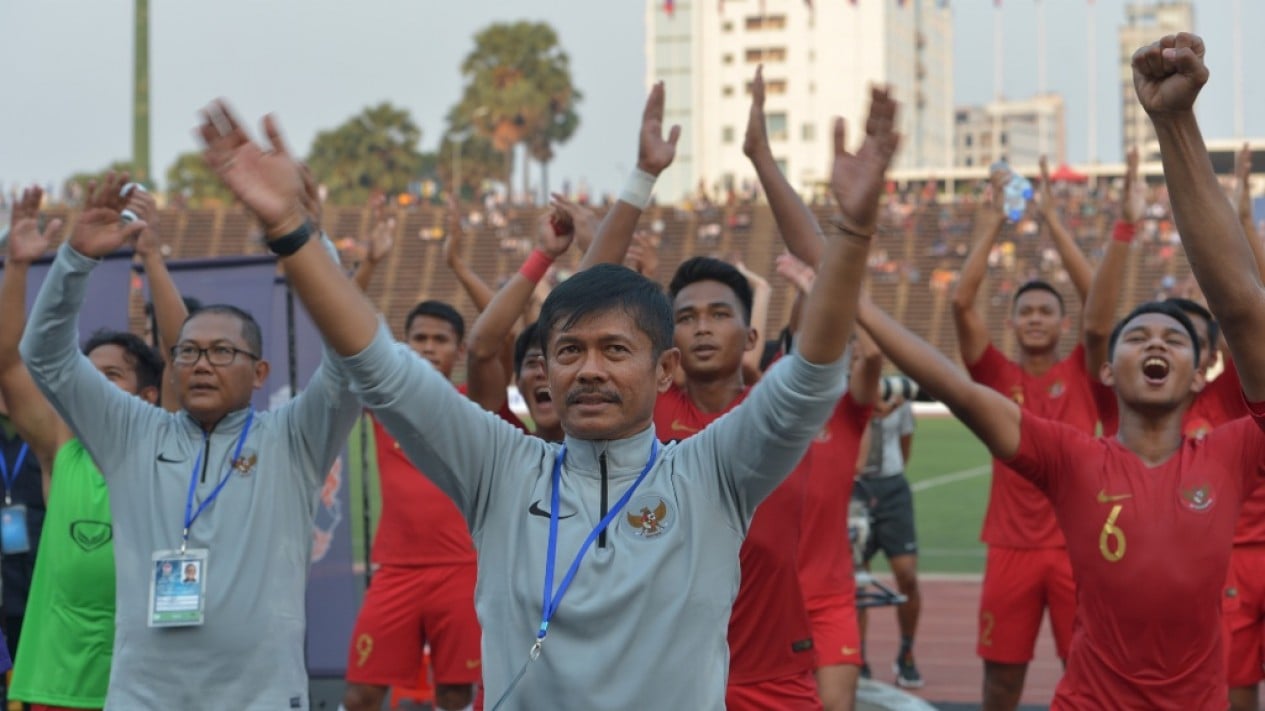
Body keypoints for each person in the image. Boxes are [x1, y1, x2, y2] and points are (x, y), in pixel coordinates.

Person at [195, 76, 896, 708]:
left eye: (614, 350)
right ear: (547, 372)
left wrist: (854, 231)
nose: (588, 369)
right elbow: (378, 362)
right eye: (569, 351)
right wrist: (291, 231)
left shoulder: (710, 472)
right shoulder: (503, 467)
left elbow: (809, 375)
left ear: (664, 371)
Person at [19, 172, 361, 709]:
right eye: (188, 352)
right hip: (143, 697)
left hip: (261, 699)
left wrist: (309, 242)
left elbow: (350, 360)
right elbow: (44, 355)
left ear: (260, 371)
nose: (201, 364)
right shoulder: (131, 432)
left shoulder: (294, 438)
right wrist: (76, 259)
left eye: (222, 352)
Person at [740, 68, 878, 710]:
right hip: (758, 600)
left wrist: (813, 289)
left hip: (825, 599)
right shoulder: (763, 392)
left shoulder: (849, 402)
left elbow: (864, 338)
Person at [0, 186, 165, 711]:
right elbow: (8, 364)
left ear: (149, 397)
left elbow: (186, 354)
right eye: (86, 379)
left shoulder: (166, 453)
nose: (93, 390)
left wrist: (155, 262)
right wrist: (19, 268)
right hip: (57, 683)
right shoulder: (60, 449)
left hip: (144, 682)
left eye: (110, 377)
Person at [949, 163, 1097, 710]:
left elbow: (1098, 302)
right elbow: (961, 303)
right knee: (1001, 685)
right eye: (1026, 311)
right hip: (1010, 550)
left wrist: (1054, 222)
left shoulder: (1086, 373)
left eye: (1046, 311)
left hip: (1074, 549)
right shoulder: (995, 377)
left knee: (1085, 675)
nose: (1035, 318)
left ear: (1063, 325)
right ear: (1011, 324)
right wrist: (991, 223)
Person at [853, 380, 922, 688]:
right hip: (856, 486)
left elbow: (906, 446)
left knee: (906, 574)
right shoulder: (852, 390)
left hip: (893, 487)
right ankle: (859, 656)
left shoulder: (900, 394)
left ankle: (906, 651)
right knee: (857, 579)